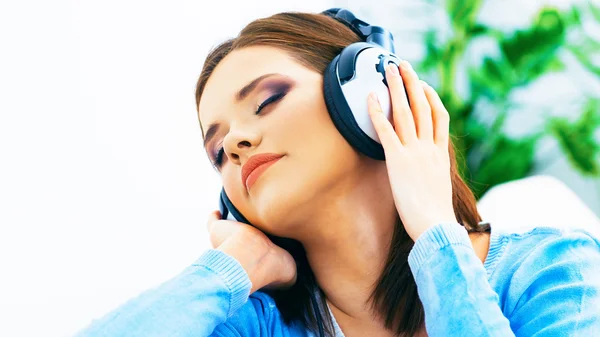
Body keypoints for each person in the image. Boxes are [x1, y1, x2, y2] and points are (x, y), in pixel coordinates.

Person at [74, 9, 600, 337]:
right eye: (216, 151)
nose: (234, 142)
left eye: (267, 100)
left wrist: (437, 235)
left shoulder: (552, 269)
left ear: (371, 94)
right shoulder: (257, 325)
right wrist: (232, 268)